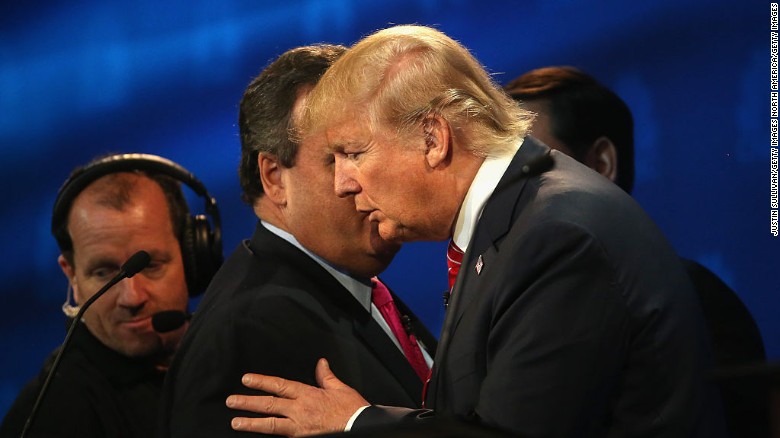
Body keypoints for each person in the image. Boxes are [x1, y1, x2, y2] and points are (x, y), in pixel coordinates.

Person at [223, 25, 727, 437]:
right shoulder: (519, 220)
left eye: (353, 153)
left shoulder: (557, 235)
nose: (342, 184)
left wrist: (356, 423)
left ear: (432, 138)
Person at [157, 44, 437, 437]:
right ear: (273, 177)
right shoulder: (248, 331)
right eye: (340, 157)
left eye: (371, 153)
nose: (364, 179)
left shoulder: (344, 280)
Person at [504, 65, 769, 438]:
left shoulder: (691, 298)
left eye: (525, 162)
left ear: (601, 164)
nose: (501, 186)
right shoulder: (504, 309)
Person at [0, 153, 222, 438]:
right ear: (72, 277)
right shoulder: (55, 414)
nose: (131, 297)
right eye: (104, 273)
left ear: (193, 257)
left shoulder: (231, 351)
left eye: (151, 266)